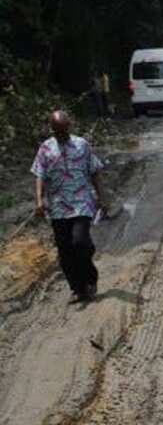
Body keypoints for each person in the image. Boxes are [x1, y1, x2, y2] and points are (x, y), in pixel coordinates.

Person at [31, 111, 107, 303]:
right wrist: (39, 201)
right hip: (57, 207)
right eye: (58, 131)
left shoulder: (82, 145)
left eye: (64, 130)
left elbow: (95, 171)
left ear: (69, 127)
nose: (62, 134)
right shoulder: (45, 149)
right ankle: (77, 288)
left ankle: (90, 279)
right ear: (52, 130)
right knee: (65, 252)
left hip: (81, 202)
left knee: (80, 243)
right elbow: (39, 175)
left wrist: (101, 197)